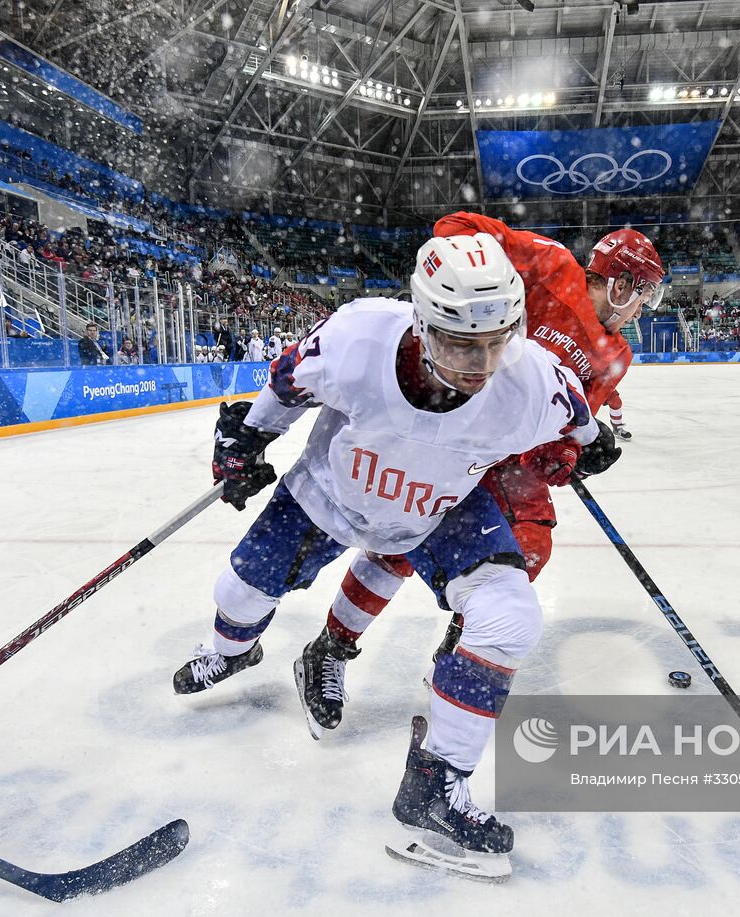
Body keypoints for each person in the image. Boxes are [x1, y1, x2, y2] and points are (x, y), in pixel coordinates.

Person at [172, 233, 611, 882]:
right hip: (328, 492)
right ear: (422, 321)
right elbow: (289, 381)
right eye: (464, 342)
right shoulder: (359, 339)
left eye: (498, 340)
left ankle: (436, 783)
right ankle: (235, 650)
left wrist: (587, 446)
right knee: (236, 593)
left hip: (438, 508)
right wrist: (247, 435)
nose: (483, 364)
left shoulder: (527, 377)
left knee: (510, 616)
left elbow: (577, 415)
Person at [299, 214, 661, 739]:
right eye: (643, 294)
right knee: (401, 543)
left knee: (529, 547)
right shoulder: (554, 267)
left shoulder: (617, 355)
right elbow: (459, 224)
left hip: (510, 455)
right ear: (623, 283)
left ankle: (460, 654)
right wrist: (460, 267)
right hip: (454, 429)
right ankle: (328, 648)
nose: (644, 309)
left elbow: (563, 427)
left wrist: (568, 455)